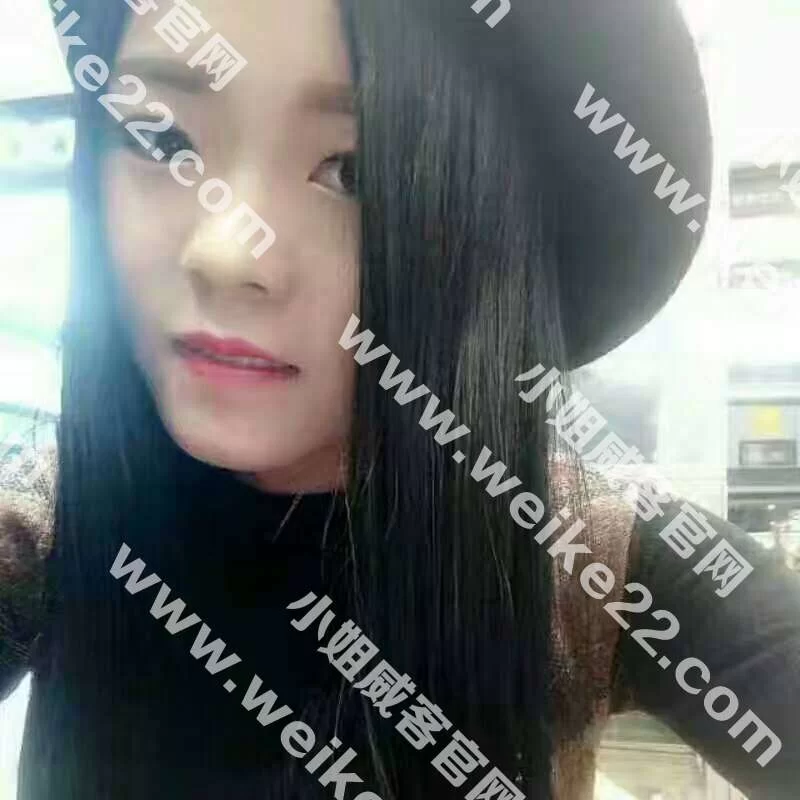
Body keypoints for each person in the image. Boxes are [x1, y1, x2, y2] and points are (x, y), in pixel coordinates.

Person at [0, 0, 798, 798]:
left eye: (355, 172)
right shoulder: (54, 520)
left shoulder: (581, 552)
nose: (225, 251)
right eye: (161, 141)